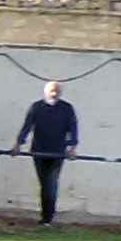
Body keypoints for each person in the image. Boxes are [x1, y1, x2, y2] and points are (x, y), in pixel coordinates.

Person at [12, 80, 80, 225]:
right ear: (46, 92)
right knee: (44, 183)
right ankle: (46, 216)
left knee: (51, 183)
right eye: (52, 91)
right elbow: (27, 126)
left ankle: (47, 217)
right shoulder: (36, 107)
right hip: (39, 151)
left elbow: (73, 128)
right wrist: (18, 144)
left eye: (57, 91)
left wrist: (72, 147)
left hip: (57, 153)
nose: (54, 94)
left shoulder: (66, 108)